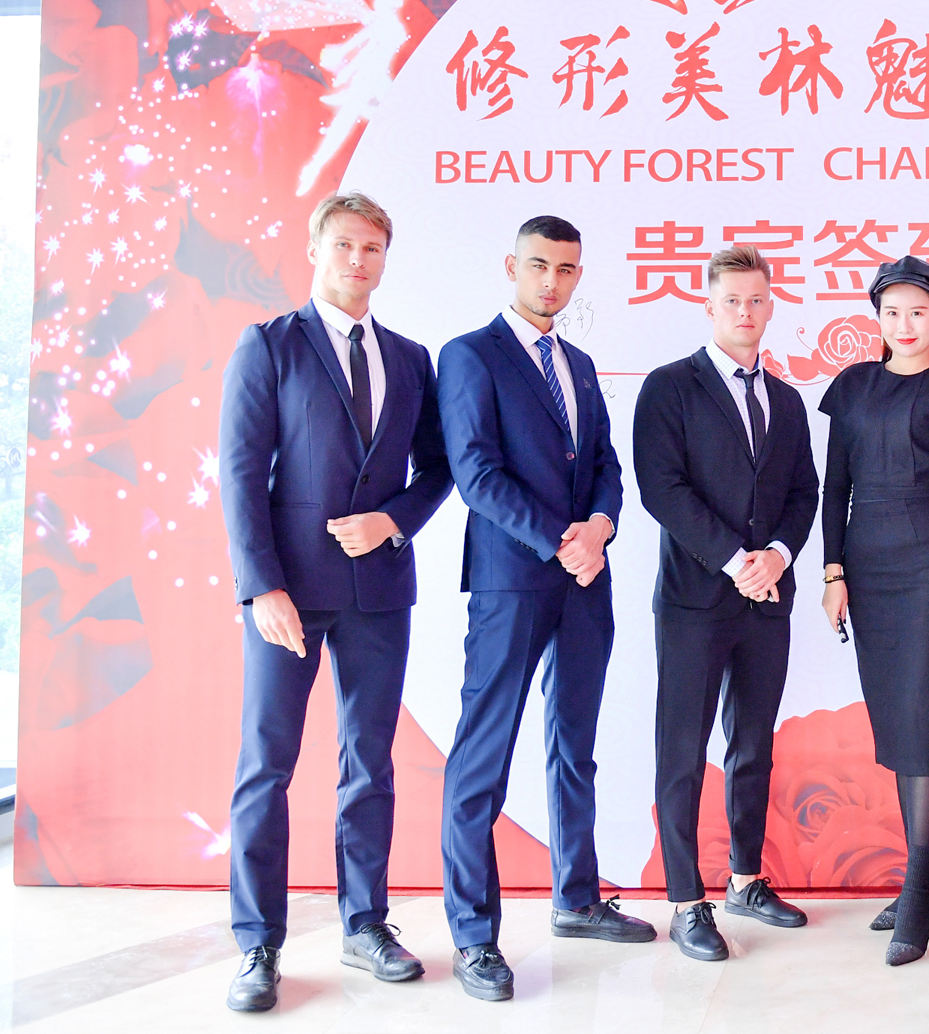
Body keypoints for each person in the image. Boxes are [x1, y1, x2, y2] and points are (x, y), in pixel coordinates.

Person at [218, 192, 453, 1013]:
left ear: (386, 259)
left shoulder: (411, 359)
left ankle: (365, 924)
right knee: (266, 766)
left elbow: (439, 468)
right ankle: (258, 944)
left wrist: (394, 520)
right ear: (316, 249)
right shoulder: (270, 344)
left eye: (373, 248)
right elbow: (241, 473)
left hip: (379, 590)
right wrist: (261, 586)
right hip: (289, 590)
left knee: (369, 763)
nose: (359, 260)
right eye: (345, 245)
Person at [436, 215, 651, 1003]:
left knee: (575, 746)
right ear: (512, 266)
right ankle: (473, 936)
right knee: (482, 757)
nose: (552, 281)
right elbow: (475, 471)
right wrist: (559, 539)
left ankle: (577, 898)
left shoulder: (580, 364)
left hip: (585, 580)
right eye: (539, 265)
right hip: (512, 581)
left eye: (565, 269)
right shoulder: (470, 355)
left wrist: (600, 526)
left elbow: (605, 466)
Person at [633, 245, 820, 961]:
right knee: (682, 750)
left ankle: (745, 879)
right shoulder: (669, 387)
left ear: (771, 305)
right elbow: (661, 487)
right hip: (694, 599)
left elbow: (804, 491)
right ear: (709, 306)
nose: (746, 311)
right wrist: (736, 559)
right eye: (732, 300)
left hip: (767, 600)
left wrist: (777, 553)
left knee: (753, 745)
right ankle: (687, 901)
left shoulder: (787, 399)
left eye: (757, 299)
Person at [818, 256, 929, 966]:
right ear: (877, 317)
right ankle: (925, 870)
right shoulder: (852, 386)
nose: (904, 324)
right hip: (868, 565)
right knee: (897, 720)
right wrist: (833, 571)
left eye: (918, 312)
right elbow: (835, 488)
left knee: (927, 717)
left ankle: (919, 886)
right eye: (892, 312)